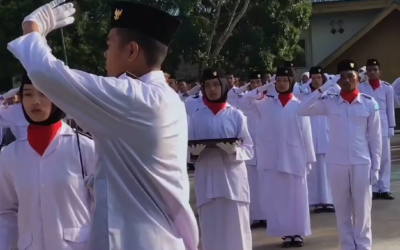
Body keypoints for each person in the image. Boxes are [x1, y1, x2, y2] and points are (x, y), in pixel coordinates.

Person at [9, 1, 199, 250]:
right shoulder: (166, 98)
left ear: (131, 51)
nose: (105, 54)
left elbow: (46, 73)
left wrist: (32, 28)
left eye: (109, 45)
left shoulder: (134, 98)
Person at [0, 73, 96, 250]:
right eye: (28, 94)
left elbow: (103, 209)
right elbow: (6, 212)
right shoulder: (9, 155)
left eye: (44, 93)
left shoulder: (86, 149)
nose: (35, 101)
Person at [298, 60, 382, 250]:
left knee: (362, 211)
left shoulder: (369, 103)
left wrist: (376, 167)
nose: (346, 80)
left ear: (358, 79)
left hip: (361, 163)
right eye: (342, 76)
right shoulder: (329, 102)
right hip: (337, 164)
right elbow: (301, 109)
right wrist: (324, 87)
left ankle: (363, 246)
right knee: (342, 211)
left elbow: (375, 139)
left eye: (350, 76)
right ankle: (347, 246)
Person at [241, 67, 314, 248]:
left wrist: (309, 159)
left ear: (291, 83)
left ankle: (297, 233)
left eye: (285, 80)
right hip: (273, 158)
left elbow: (307, 134)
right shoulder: (265, 104)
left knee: (297, 197)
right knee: (279, 198)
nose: (282, 84)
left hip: (295, 157)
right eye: (278, 80)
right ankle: (286, 233)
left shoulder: (298, 104)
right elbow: (244, 102)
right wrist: (263, 87)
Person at [188, 68, 253, 250]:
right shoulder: (196, 117)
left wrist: (234, 151)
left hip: (233, 182)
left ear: (224, 86)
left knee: (237, 230)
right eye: (207, 85)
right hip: (208, 183)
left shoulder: (236, 115)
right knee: (211, 231)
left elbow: (249, 149)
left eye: (216, 84)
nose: (212, 89)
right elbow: (187, 151)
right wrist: (194, 153)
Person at [295, 66, 335, 213]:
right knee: (312, 169)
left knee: (326, 168)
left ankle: (329, 200)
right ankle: (315, 201)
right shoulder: (302, 91)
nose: (317, 80)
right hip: (309, 133)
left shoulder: (331, 90)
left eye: (319, 77)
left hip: (326, 133)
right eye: (314, 77)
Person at [359, 59, 395, 200]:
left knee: (385, 157)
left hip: (383, 124)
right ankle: (373, 188)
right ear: (366, 72)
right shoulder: (361, 87)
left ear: (380, 72)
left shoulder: (387, 87)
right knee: (371, 157)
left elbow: (390, 108)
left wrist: (392, 126)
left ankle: (384, 187)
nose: (372, 72)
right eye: (370, 70)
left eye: (375, 69)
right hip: (368, 125)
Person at [237, 71, 266, 229]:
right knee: (253, 186)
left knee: (267, 186)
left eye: (258, 82)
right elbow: (244, 101)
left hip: (267, 150)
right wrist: (251, 90)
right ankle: (257, 217)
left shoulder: (269, 100)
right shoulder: (246, 101)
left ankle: (269, 216)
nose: (256, 85)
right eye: (253, 82)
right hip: (252, 150)